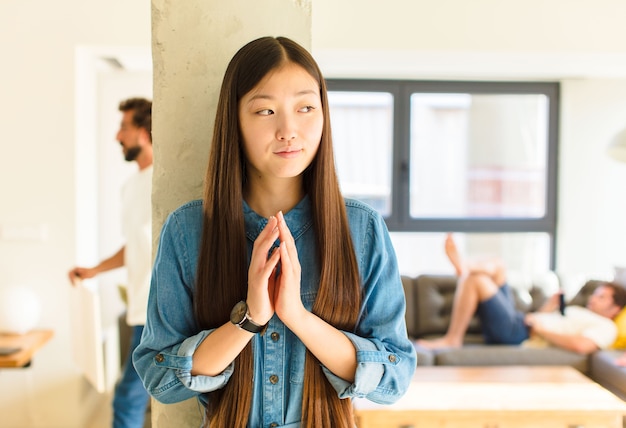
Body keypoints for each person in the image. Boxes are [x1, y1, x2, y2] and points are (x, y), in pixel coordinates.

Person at [132, 36, 416, 428]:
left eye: (305, 108)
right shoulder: (188, 229)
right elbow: (160, 378)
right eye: (265, 110)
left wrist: (297, 317)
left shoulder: (361, 229)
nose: (288, 129)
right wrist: (249, 320)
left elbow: (396, 376)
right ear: (235, 120)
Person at [68, 97, 153, 428]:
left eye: (124, 127)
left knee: (127, 398)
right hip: (139, 308)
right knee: (131, 396)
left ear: (144, 132)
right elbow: (134, 246)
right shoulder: (130, 186)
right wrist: (94, 270)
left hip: (157, 308)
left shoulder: (165, 181)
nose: (118, 136)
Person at [417, 234, 626, 355]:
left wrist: (542, 330)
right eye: (595, 294)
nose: (593, 298)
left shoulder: (606, 327)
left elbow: (582, 346)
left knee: (477, 281)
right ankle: (465, 267)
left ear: (615, 308)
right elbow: (548, 320)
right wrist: (549, 308)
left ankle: (453, 339)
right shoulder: (580, 310)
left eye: (601, 297)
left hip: (519, 334)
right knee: (499, 265)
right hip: (522, 322)